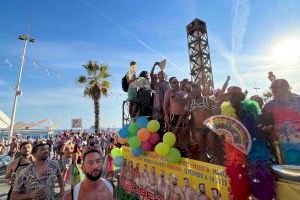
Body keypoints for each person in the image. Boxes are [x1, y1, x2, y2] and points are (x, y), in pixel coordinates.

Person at [176, 83, 219, 162]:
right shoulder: (191, 103)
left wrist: (217, 130)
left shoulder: (208, 101)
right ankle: (206, 171)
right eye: (193, 91)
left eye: (196, 91)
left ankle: (217, 171)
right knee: (202, 152)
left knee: (214, 152)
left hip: (210, 130)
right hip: (198, 130)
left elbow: (216, 116)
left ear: (200, 90)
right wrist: (177, 126)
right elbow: (182, 115)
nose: (194, 93)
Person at [262, 79, 300, 164]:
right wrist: (267, 130)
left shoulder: (299, 100)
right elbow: (265, 125)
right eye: (271, 87)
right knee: (292, 173)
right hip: (285, 147)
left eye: (276, 87)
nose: (273, 90)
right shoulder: (268, 106)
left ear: (286, 87)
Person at [151, 62, 170, 128]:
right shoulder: (156, 84)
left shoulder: (168, 84)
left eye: (163, 74)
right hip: (158, 108)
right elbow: (151, 75)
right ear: (158, 76)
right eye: (161, 74)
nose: (162, 75)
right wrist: (154, 66)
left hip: (167, 107)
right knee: (159, 126)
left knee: (168, 125)